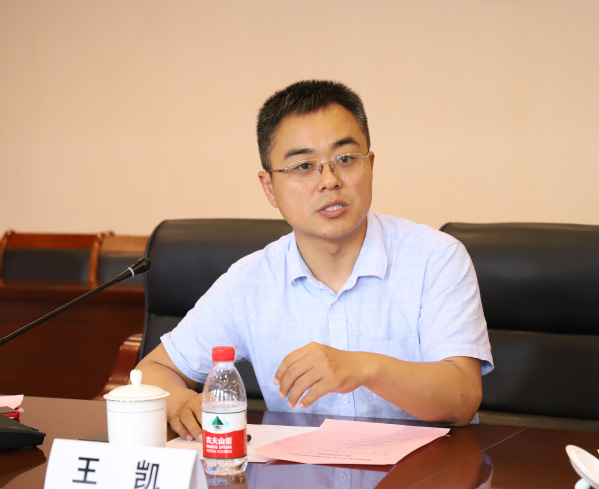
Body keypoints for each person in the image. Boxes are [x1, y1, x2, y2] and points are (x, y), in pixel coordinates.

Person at [137, 79, 493, 441]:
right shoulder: (250, 281)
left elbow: (462, 397)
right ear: (269, 188)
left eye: (345, 159)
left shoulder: (435, 258)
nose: (329, 180)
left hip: (424, 473)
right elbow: (153, 371)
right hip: (297, 475)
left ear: (370, 165)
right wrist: (181, 401)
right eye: (304, 166)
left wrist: (366, 368)